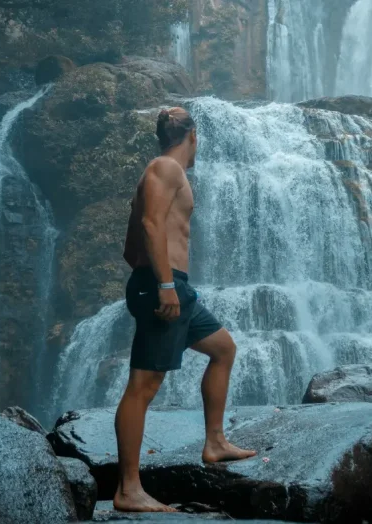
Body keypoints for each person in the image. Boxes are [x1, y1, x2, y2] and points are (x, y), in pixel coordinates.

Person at [113, 107, 257, 513]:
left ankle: (215, 442)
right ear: (192, 136)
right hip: (166, 286)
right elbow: (151, 226)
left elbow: (130, 245)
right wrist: (160, 285)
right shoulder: (165, 168)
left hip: (173, 286)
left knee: (223, 348)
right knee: (143, 385)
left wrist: (158, 281)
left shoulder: (156, 173)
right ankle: (128, 489)